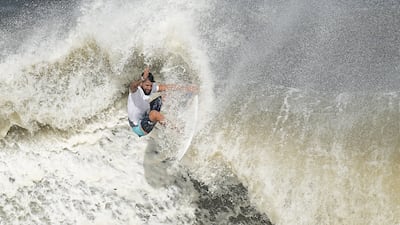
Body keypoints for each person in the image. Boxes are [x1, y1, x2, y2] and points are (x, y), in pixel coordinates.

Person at [127, 67, 196, 137]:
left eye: (150, 85)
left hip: (145, 115)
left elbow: (166, 87)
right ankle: (179, 131)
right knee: (154, 114)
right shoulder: (135, 91)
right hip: (138, 127)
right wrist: (142, 79)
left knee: (165, 95)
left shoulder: (150, 88)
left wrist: (187, 88)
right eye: (147, 85)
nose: (149, 88)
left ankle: (184, 108)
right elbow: (132, 86)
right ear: (141, 84)